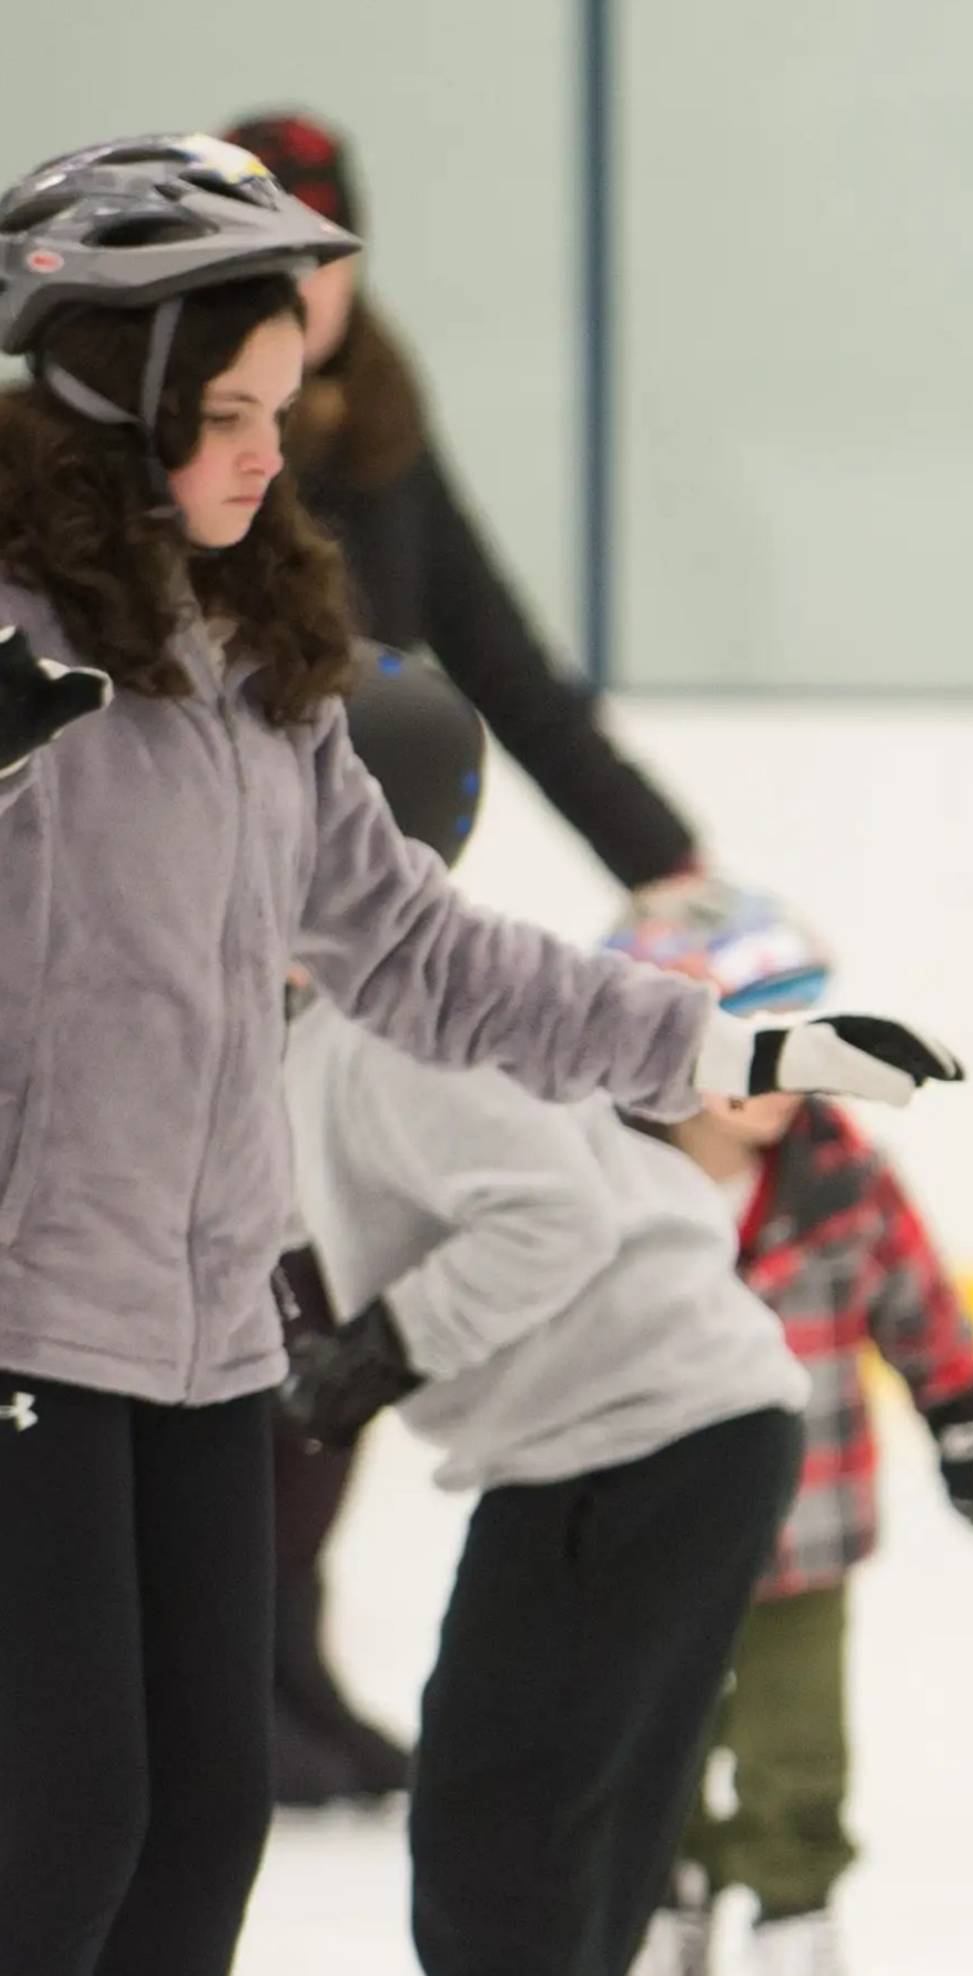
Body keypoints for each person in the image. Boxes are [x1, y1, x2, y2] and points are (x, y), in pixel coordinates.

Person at [0, 136, 956, 1976]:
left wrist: (727, 1035)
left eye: (283, 404)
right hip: (14, 1327)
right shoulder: (13, 669)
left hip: (199, 1332)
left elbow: (430, 957)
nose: (268, 454)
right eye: (228, 407)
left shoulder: (238, 665)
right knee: (62, 1817)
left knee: (202, 1810)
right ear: (98, 394)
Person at [266, 656, 814, 1976]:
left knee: (504, 1844)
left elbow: (549, 1214)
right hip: (659, 1431)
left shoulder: (386, 1016)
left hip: (638, 1437)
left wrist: (373, 1356)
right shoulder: (357, 999)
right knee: (548, 1843)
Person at [225, 110, 724, 1806]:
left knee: (325, 1315)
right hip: (225, 937)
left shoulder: (384, 435)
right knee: (261, 1322)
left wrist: (662, 852)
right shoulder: (205, 453)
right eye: (275, 250)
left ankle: (280, 1661)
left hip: (362, 930)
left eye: (327, 249)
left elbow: (501, 662)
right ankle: (239, 1668)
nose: (309, 283)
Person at [620, 904, 973, 1976]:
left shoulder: (843, 1183)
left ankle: (795, 1912)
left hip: (805, 1526)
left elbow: (918, 1304)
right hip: (645, 1535)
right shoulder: (601, 1179)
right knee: (654, 1736)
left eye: (784, 1039)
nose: (765, 1074)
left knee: (799, 1745)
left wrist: (966, 1407)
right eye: (732, 1039)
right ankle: (664, 1905)